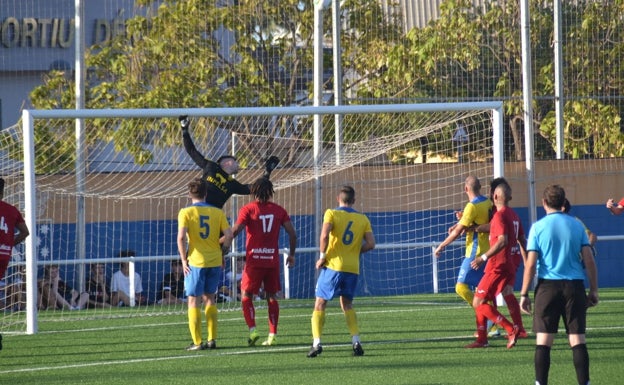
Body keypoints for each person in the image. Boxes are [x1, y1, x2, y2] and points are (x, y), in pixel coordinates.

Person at [520, 185, 599, 385]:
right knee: (577, 340)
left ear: (544, 203)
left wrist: (524, 294)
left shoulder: (538, 227)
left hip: (548, 287)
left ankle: (540, 383)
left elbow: (530, 264)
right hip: (574, 287)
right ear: (564, 203)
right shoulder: (577, 225)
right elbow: (589, 260)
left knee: (544, 341)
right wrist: (594, 290)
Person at [307, 185, 375, 358]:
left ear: (338, 198)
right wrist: (355, 251)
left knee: (320, 303)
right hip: (352, 269)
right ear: (353, 201)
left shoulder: (331, 213)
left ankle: (316, 343)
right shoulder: (363, 219)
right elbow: (371, 244)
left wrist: (322, 256)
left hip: (333, 267)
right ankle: (356, 340)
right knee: (347, 304)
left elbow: (324, 236)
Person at [230, 177, 297, 347]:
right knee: (271, 297)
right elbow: (292, 234)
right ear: (271, 192)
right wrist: (292, 254)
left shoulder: (248, 209)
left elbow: (236, 230)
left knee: (246, 295)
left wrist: (221, 242)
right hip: (271, 261)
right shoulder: (279, 210)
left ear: (254, 192)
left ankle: (253, 330)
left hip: (254, 261)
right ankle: (273, 334)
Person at [465, 183, 524, 349]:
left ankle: (510, 328)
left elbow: (502, 240)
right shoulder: (513, 215)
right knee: (488, 297)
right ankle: (482, 338)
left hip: (497, 264)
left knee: (478, 301)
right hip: (509, 263)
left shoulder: (499, 216)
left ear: (495, 197)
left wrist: (482, 257)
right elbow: (521, 239)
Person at [178, 178, 233, 351]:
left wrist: (183, 260)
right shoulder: (217, 212)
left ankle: (197, 342)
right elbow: (229, 235)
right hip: (214, 261)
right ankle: (212, 339)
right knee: (210, 299)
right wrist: (222, 251)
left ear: (189, 194)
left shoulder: (185, 212)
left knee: (193, 301)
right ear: (206, 194)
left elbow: (180, 238)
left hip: (196, 261)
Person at [179, 115, 280, 209]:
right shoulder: (211, 167)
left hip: (214, 216)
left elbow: (256, 187)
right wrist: (184, 130)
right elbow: (192, 151)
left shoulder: (233, 184)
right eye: (235, 161)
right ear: (227, 162)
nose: (238, 164)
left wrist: (267, 171)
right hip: (198, 210)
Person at [433, 176, 492, 309]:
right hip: (487, 250)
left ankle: (488, 317)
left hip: (475, 252)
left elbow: (457, 232)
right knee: (482, 290)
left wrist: (441, 246)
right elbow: (478, 222)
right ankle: (491, 326)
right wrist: (460, 222)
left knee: (460, 287)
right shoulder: (487, 202)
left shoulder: (472, 206)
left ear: (466, 188)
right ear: (480, 187)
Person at [0, 177, 30, 349]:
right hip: (3, 255)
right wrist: (9, 244)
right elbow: (25, 232)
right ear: (3, 192)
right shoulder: (12, 210)